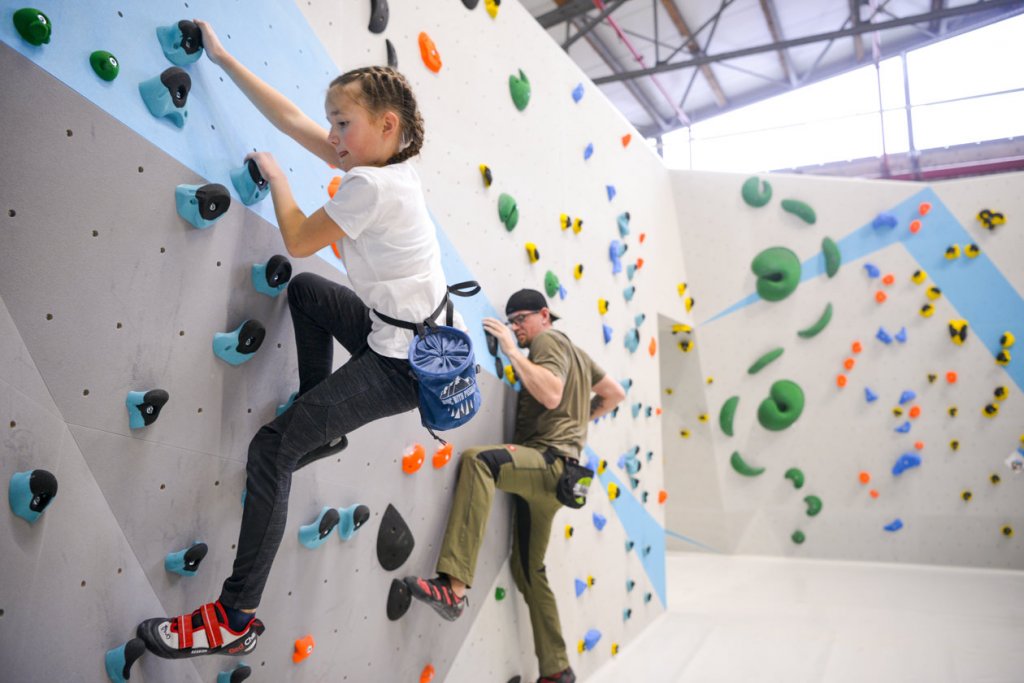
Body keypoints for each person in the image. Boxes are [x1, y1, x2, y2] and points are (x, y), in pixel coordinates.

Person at [137, 20, 464, 659]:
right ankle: (323, 418)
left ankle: (235, 615)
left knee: (272, 450)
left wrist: (280, 179)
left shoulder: (370, 184)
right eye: (333, 122)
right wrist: (224, 56)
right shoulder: (392, 166)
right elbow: (290, 118)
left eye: (344, 123)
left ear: (387, 125)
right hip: (396, 337)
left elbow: (297, 238)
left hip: (400, 368)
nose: (335, 135)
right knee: (310, 293)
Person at [404, 289, 626, 683]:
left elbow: (553, 392)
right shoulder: (579, 354)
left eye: (520, 319)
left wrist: (510, 349)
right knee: (529, 571)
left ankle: (453, 588)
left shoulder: (549, 340)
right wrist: (582, 423)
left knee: (480, 461)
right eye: (511, 322)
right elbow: (614, 394)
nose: (516, 327)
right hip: (561, 478)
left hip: (546, 463)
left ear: (545, 314)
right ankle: (557, 670)